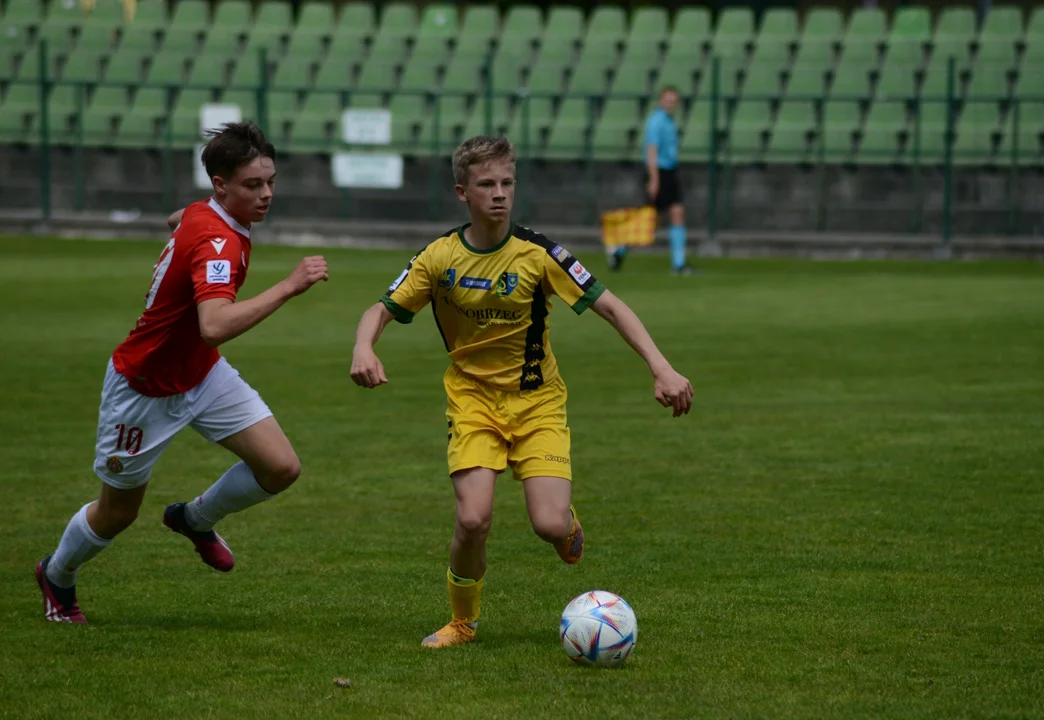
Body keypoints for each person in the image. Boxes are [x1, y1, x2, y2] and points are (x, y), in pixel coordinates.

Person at [349, 135, 694, 648]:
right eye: (486, 184)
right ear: (462, 191)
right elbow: (380, 308)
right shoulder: (439, 257)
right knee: (472, 518)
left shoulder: (539, 254)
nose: (499, 194)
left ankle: (566, 525)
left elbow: (611, 306)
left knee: (549, 525)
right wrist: (363, 347)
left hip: (537, 404)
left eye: (507, 183)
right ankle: (463, 622)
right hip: (472, 403)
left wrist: (662, 369)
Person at [35, 121, 329, 623]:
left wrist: (191, 229)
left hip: (200, 373)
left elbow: (182, 217)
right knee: (118, 513)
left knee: (281, 468)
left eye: (270, 182)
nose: (266, 195)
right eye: (252, 185)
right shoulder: (218, 241)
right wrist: (289, 285)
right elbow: (212, 325)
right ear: (221, 185)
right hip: (143, 387)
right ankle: (56, 575)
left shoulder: (204, 213)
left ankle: (193, 519)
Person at [607, 86, 692, 275]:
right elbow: (651, 150)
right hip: (659, 172)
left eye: (674, 100)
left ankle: (679, 264)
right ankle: (619, 249)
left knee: (677, 212)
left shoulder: (669, 121)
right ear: (661, 101)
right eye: (668, 100)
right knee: (650, 220)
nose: (671, 103)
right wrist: (654, 179)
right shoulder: (656, 122)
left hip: (670, 171)